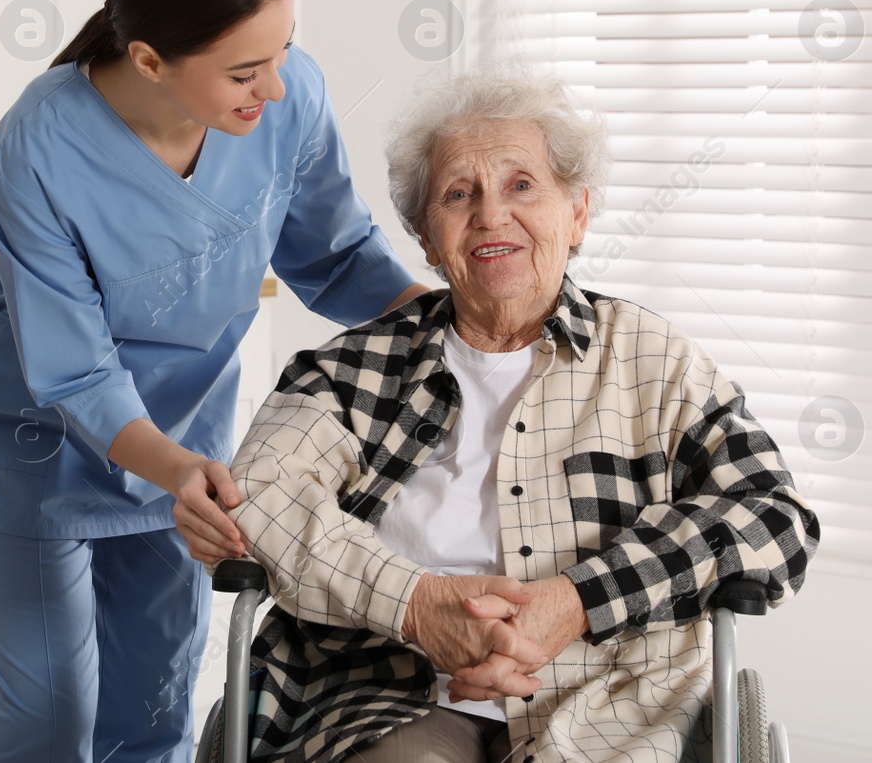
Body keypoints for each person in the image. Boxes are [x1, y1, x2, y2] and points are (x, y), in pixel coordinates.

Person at [0, 0, 431, 763]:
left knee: (153, 700)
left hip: (185, 444)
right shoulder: (37, 147)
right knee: (49, 709)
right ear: (150, 59)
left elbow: (338, 258)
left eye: (283, 51)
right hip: (32, 445)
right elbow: (75, 370)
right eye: (243, 73)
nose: (273, 87)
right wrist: (173, 467)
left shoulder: (289, 96)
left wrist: (453, 322)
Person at [223, 58, 819, 762]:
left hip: (615, 701)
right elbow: (256, 492)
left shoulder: (655, 362)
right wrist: (418, 605)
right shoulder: (354, 371)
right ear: (424, 235)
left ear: (577, 213)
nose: (491, 215)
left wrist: (577, 600)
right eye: (457, 193)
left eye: (522, 185)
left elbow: (772, 515)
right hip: (391, 699)